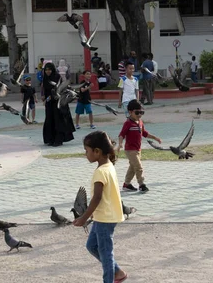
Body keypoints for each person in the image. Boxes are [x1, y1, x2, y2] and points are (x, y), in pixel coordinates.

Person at [74, 131, 128, 283]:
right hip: (102, 216)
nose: (86, 154)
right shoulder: (108, 165)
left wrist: (84, 217)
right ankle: (118, 272)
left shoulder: (101, 172)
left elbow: (97, 198)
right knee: (92, 246)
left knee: (106, 254)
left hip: (106, 218)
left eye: (87, 150)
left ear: (97, 151)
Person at [118, 99, 161, 193]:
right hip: (130, 150)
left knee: (133, 167)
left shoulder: (140, 122)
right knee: (139, 167)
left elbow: (144, 133)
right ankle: (141, 185)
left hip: (138, 149)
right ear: (130, 112)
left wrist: (155, 138)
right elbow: (122, 134)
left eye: (142, 112)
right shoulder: (128, 123)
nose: (139, 115)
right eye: (137, 112)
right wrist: (120, 143)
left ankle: (126, 184)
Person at [42, 62, 75, 147]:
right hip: (49, 104)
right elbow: (45, 91)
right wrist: (45, 98)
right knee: (50, 120)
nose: (48, 71)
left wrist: (49, 98)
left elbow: (59, 90)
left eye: (49, 69)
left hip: (58, 103)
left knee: (58, 121)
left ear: (52, 70)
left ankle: (58, 140)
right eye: (46, 70)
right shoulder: (45, 78)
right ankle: (50, 139)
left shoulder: (57, 77)